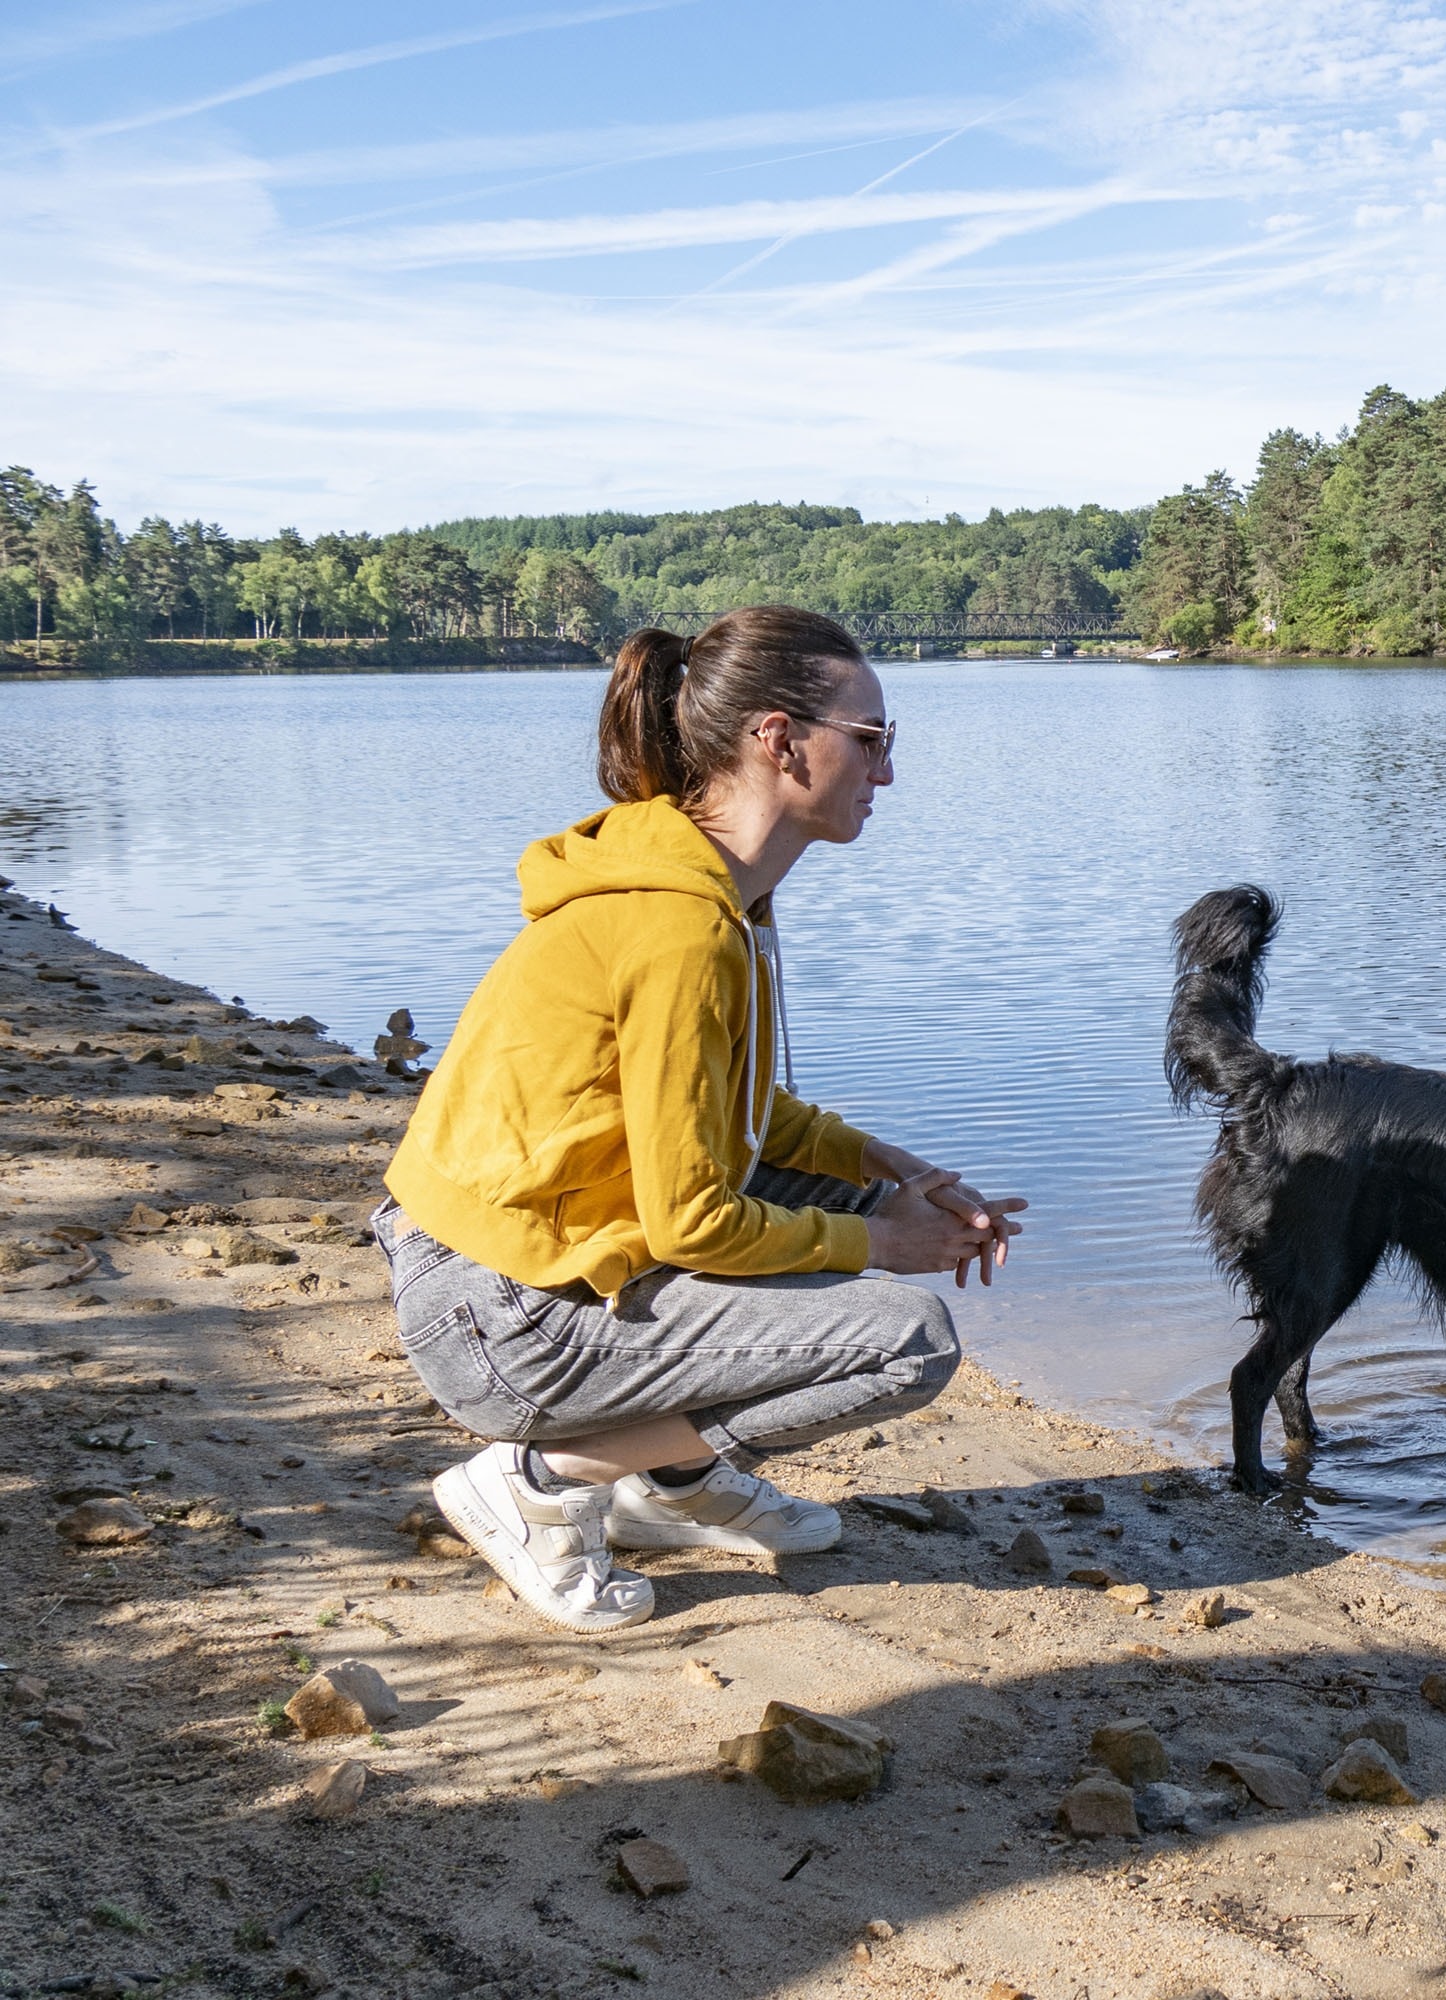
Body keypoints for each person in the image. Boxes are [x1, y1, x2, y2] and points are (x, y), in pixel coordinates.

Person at [372, 606, 1022, 1633]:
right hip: (500, 1314)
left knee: (858, 1203)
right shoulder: (681, 927)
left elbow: (746, 1115)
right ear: (777, 740)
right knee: (911, 1338)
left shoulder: (718, 894)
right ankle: (537, 1481)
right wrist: (888, 1241)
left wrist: (892, 1169)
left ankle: (671, 1483)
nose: (886, 773)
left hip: (519, 1265)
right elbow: (688, 1222)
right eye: (870, 740)